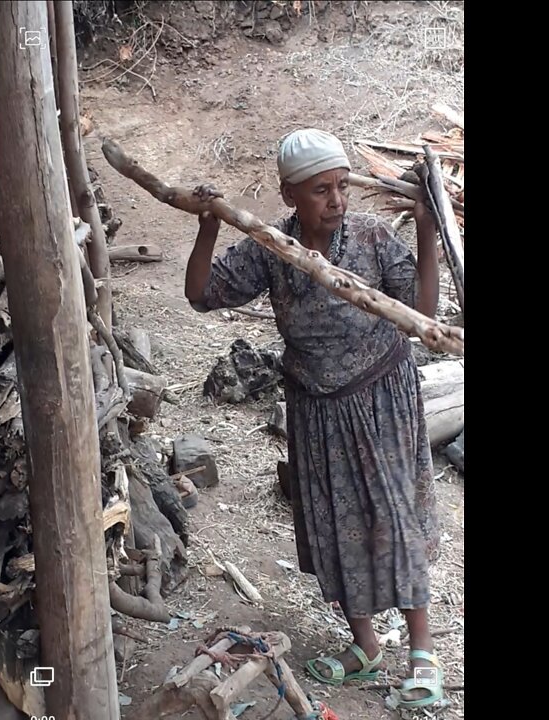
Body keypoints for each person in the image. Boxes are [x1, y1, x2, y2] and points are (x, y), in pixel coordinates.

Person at [184, 128, 445, 708]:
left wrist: (426, 231)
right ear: (290, 194)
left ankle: (422, 653)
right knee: (334, 527)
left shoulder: (374, 238)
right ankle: (365, 646)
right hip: (317, 410)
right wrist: (208, 227)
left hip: (381, 398)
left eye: (341, 187)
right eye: (321, 190)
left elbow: (420, 314)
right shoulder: (271, 249)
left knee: (393, 516)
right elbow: (201, 293)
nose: (336, 200)